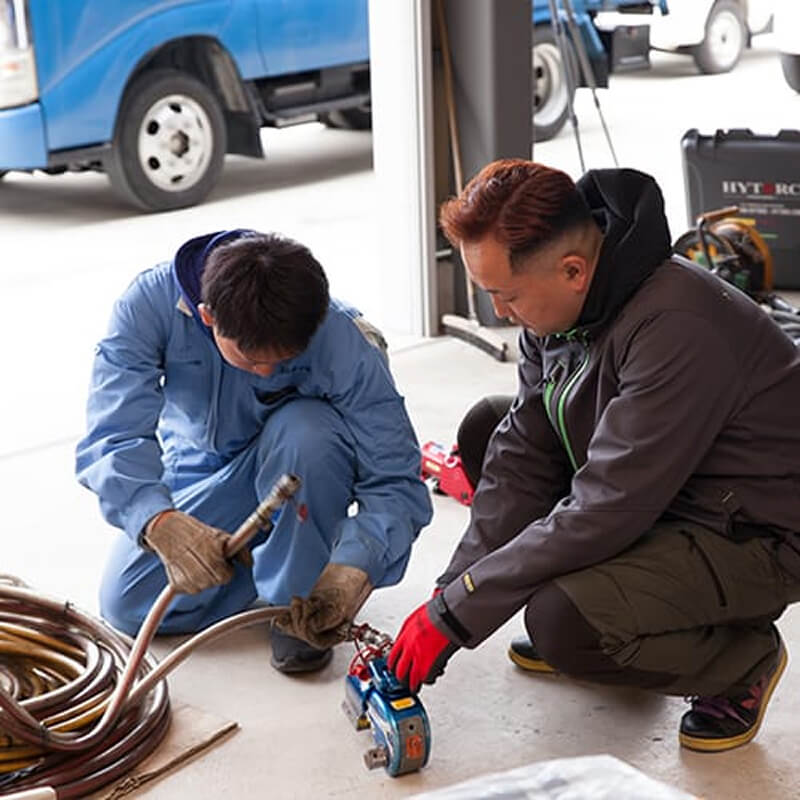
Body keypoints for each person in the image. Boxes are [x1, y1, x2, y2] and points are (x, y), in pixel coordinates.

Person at [388, 159, 800, 752]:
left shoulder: (677, 323)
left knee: (562, 621)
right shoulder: (558, 307)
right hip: (670, 490)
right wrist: (452, 592)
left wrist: (461, 612)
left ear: (574, 270)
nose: (500, 313)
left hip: (757, 529)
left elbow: (608, 507)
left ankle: (741, 660)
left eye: (506, 296)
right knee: (488, 429)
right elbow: (524, 457)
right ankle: (633, 604)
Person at [76, 230, 432, 674]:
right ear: (208, 318)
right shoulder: (148, 306)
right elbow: (114, 433)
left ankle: (292, 596)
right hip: (201, 472)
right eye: (250, 359)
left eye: (283, 362)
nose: (266, 372)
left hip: (299, 470)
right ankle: (271, 556)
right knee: (126, 604)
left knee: (310, 430)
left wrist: (357, 565)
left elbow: (395, 477)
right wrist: (156, 520)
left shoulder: (342, 337)